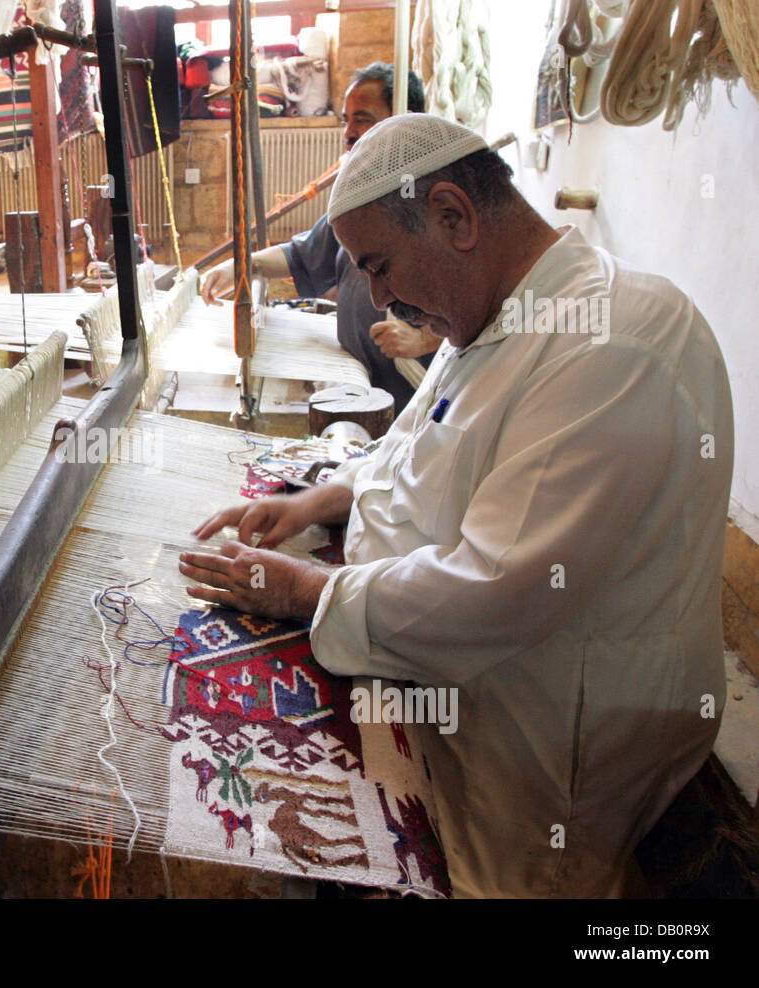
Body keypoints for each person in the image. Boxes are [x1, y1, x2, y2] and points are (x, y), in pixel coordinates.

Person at [178, 113, 734, 898]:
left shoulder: (613, 342)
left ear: (453, 215)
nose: (379, 296)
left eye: (379, 266)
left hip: (552, 743)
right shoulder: (493, 319)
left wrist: (304, 591)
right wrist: (318, 501)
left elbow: (503, 588)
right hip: (466, 685)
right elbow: (412, 449)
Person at [199, 62, 440, 414]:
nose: (350, 133)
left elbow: (488, 302)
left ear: (407, 118)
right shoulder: (361, 195)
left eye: (363, 118)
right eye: (346, 120)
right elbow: (302, 255)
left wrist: (424, 339)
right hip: (358, 384)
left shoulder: (434, 199)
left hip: (412, 395)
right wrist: (241, 266)